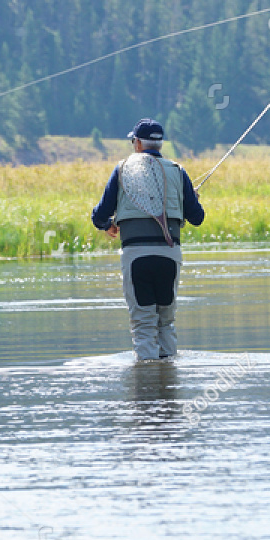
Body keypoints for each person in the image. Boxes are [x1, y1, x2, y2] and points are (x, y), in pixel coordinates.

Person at [91, 118, 205, 361]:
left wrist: (107, 226)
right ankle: (168, 385)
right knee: (166, 322)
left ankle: (146, 388)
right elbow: (197, 218)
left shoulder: (121, 169)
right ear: (159, 145)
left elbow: (100, 214)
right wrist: (190, 199)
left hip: (136, 257)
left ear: (137, 144)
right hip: (169, 256)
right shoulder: (178, 170)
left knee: (143, 325)